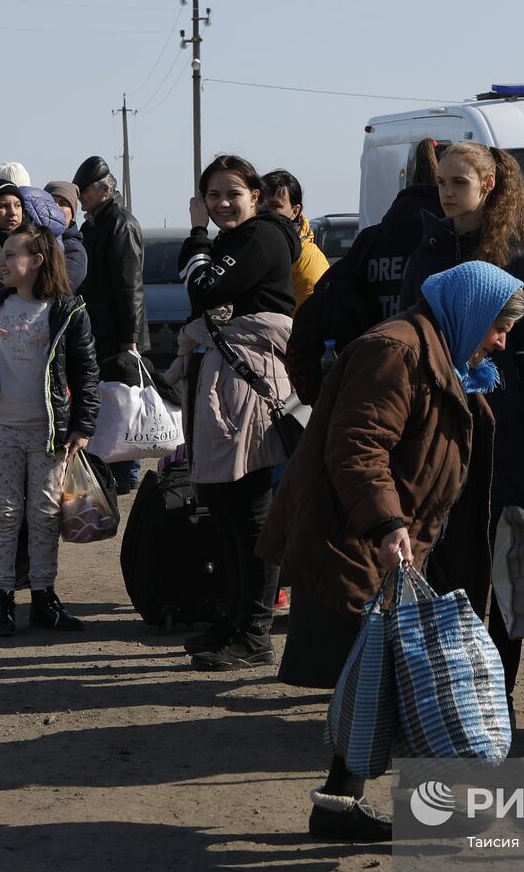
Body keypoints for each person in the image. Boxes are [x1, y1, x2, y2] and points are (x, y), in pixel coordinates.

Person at [258, 260, 524, 842]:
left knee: (381, 673)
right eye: (499, 328)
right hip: (354, 538)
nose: (502, 342)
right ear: (472, 314)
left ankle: (339, 805)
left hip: (386, 538)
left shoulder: (440, 354)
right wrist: (385, 524)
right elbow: (358, 447)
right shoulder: (396, 353)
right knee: (384, 672)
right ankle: (367, 805)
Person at [398, 141, 524, 721]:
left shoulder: (517, 255)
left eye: (457, 183)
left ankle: (498, 690)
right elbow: (404, 337)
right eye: (440, 181)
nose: (445, 192)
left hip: (502, 430)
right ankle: (444, 686)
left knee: (501, 561)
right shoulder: (427, 248)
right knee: (440, 558)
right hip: (435, 427)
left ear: (489, 185)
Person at [166, 154, 300, 671]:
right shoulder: (238, 241)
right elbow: (206, 295)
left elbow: (203, 290)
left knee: (249, 514)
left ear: (256, 197)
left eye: (232, 194)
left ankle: (254, 634)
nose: (223, 204)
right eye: (213, 196)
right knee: (223, 508)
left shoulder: (261, 237)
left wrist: (197, 234)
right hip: (224, 379)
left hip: (247, 385)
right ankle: (234, 618)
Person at [0, 224, 100, 636]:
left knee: (44, 516)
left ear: (37, 261)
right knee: (3, 516)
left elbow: (87, 373)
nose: (2, 262)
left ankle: (44, 598)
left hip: (49, 433)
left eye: (11, 255)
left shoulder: (68, 310)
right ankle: (2, 601)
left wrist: (83, 425)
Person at [287, 138, 442, 404]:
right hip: (432, 384)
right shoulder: (453, 244)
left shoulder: (370, 241)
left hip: (370, 381)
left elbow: (319, 309)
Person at [72, 156, 147, 493]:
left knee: (124, 403)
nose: (80, 196)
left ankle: (127, 472)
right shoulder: (95, 224)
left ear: (104, 189)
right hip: (99, 329)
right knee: (108, 401)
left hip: (118, 334)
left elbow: (130, 285)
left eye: (84, 190)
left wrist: (129, 338)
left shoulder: (119, 223)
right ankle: (114, 469)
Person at [260, 169, 329, 309]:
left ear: (295, 211)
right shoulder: (253, 247)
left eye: (275, 206)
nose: (265, 213)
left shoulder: (307, 260)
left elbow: (311, 319)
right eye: (260, 205)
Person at [19, 184, 87, 289]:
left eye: (63, 203)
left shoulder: (74, 250)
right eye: (50, 202)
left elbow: (62, 287)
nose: (55, 207)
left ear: (72, 215)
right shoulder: (29, 238)